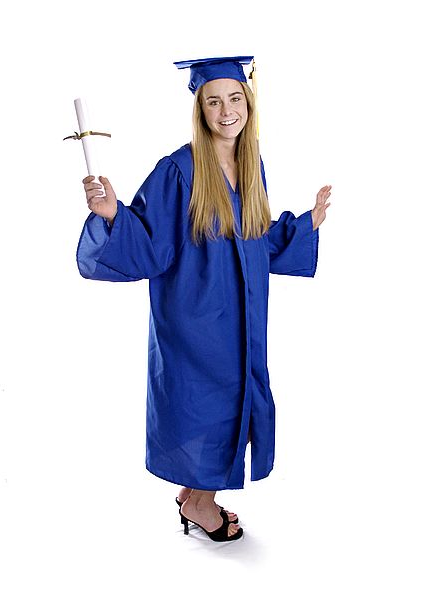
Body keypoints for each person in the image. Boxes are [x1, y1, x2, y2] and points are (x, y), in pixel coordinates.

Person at [78, 56, 331, 542]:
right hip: (194, 318)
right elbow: (150, 244)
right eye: (213, 101)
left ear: (249, 104)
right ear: (200, 108)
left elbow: (254, 236)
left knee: (232, 401)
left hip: (241, 317)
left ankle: (193, 496)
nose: (226, 110)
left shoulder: (250, 162)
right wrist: (114, 216)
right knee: (202, 406)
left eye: (235, 98)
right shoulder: (177, 171)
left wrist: (306, 226)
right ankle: (201, 503)